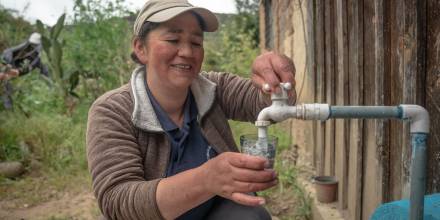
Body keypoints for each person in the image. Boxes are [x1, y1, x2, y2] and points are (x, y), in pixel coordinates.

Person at [86, 0, 296, 219]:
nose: (187, 52)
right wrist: (206, 179)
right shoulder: (111, 110)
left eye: (196, 42)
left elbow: (263, 103)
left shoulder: (213, 88)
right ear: (140, 48)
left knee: (252, 216)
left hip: (211, 211)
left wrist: (277, 83)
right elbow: (117, 201)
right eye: (172, 39)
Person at [0, 32, 49, 108]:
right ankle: (8, 107)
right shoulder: (24, 46)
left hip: (22, 68)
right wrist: (7, 64)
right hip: (11, 66)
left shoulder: (40, 53)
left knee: (45, 69)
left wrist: (19, 71)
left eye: (35, 45)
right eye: (32, 44)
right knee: (6, 83)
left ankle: (51, 90)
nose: (33, 46)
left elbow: (35, 63)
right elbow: (8, 52)